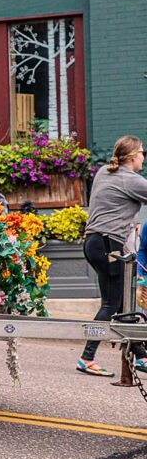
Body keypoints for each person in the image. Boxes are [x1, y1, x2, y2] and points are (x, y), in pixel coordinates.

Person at [77, 136, 147, 377]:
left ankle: (141, 356)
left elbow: (111, 203)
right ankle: (87, 357)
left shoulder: (104, 172)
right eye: (141, 152)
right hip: (109, 245)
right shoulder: (132, 180)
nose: (143, 156)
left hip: (94, 242)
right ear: (132, 157)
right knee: (112, 304)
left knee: (118, 303)